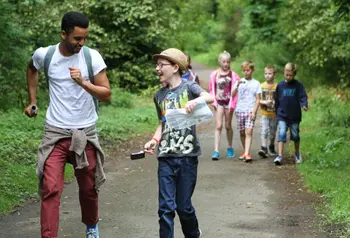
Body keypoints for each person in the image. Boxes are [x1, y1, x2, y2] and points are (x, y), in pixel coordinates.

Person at [24, 12, 111, 238]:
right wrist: (32, 101)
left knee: (89, 189)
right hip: (55, 132)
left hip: (85, 132)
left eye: (85, 38)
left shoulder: (92, 57)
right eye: (77, 39)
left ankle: (91, 226)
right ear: (64, 34)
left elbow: (106, 94)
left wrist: (83, 82)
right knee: (50, 189)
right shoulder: (47, 55)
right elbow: (32, 69)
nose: (81, 43)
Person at [144, 48, 213, 238]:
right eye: (156, 65)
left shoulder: (189, 87)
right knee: (165, 208)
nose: (157, 68)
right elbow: (162, 123)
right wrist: (154, 139)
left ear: (175, 67)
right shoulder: (159, 96)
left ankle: (193, 233)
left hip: (187, 158)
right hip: (166, 157)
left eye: (161, 65)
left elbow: (210, 97)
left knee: (184, 207)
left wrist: (196, 102)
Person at [273, 63, 308, 165]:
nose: (288, 77)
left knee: (295, 135)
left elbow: (303, 97)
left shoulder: (298, 85)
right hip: (282, 115)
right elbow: (277, 100)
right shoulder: (280, 85)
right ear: (284, 72)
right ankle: (279, 156)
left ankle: (297, 154)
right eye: (286, 74)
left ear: (294, 74)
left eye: (290, 75)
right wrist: (276, 113)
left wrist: (304, 105)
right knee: (282, 132)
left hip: (294, 116)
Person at [208, 51, 239, 160]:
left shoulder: (233, 75)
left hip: (228, 103)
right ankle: (216, 150)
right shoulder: (214, 74)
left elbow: (235, 92)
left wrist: (233, 103)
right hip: (219, 102)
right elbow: (211, 89)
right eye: (224, 62)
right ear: (219, 62)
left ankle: (230, 147)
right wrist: (213, 102)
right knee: (218, 125)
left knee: (228, 125)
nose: (226, 64)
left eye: (228, 62)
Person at [232, 60, 261, 162]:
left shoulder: (256, 83)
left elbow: (258, 99)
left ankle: (247, 154)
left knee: (249, 131)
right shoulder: (239, 82)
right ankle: (245, 151)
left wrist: (254, 111)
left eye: (248, 70)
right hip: (240, 110)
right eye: (244, 70)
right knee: (242, 133)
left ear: (252, 70)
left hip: (250, 110)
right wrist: (237, 85)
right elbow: (232, 94)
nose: (246, 72)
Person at [257, 65, 278, 158]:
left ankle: (271, 146)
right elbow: (258, 100)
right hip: (264, 113)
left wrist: (275, 102)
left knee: (273, 131)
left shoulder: (277, 87)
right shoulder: (261, 86)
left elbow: (280, 99)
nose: (267, 75)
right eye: (265, 74)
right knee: (264, 130)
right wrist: (265, 102)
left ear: (274, 74)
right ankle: (263, 148)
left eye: (269, 73)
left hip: (274, 114)